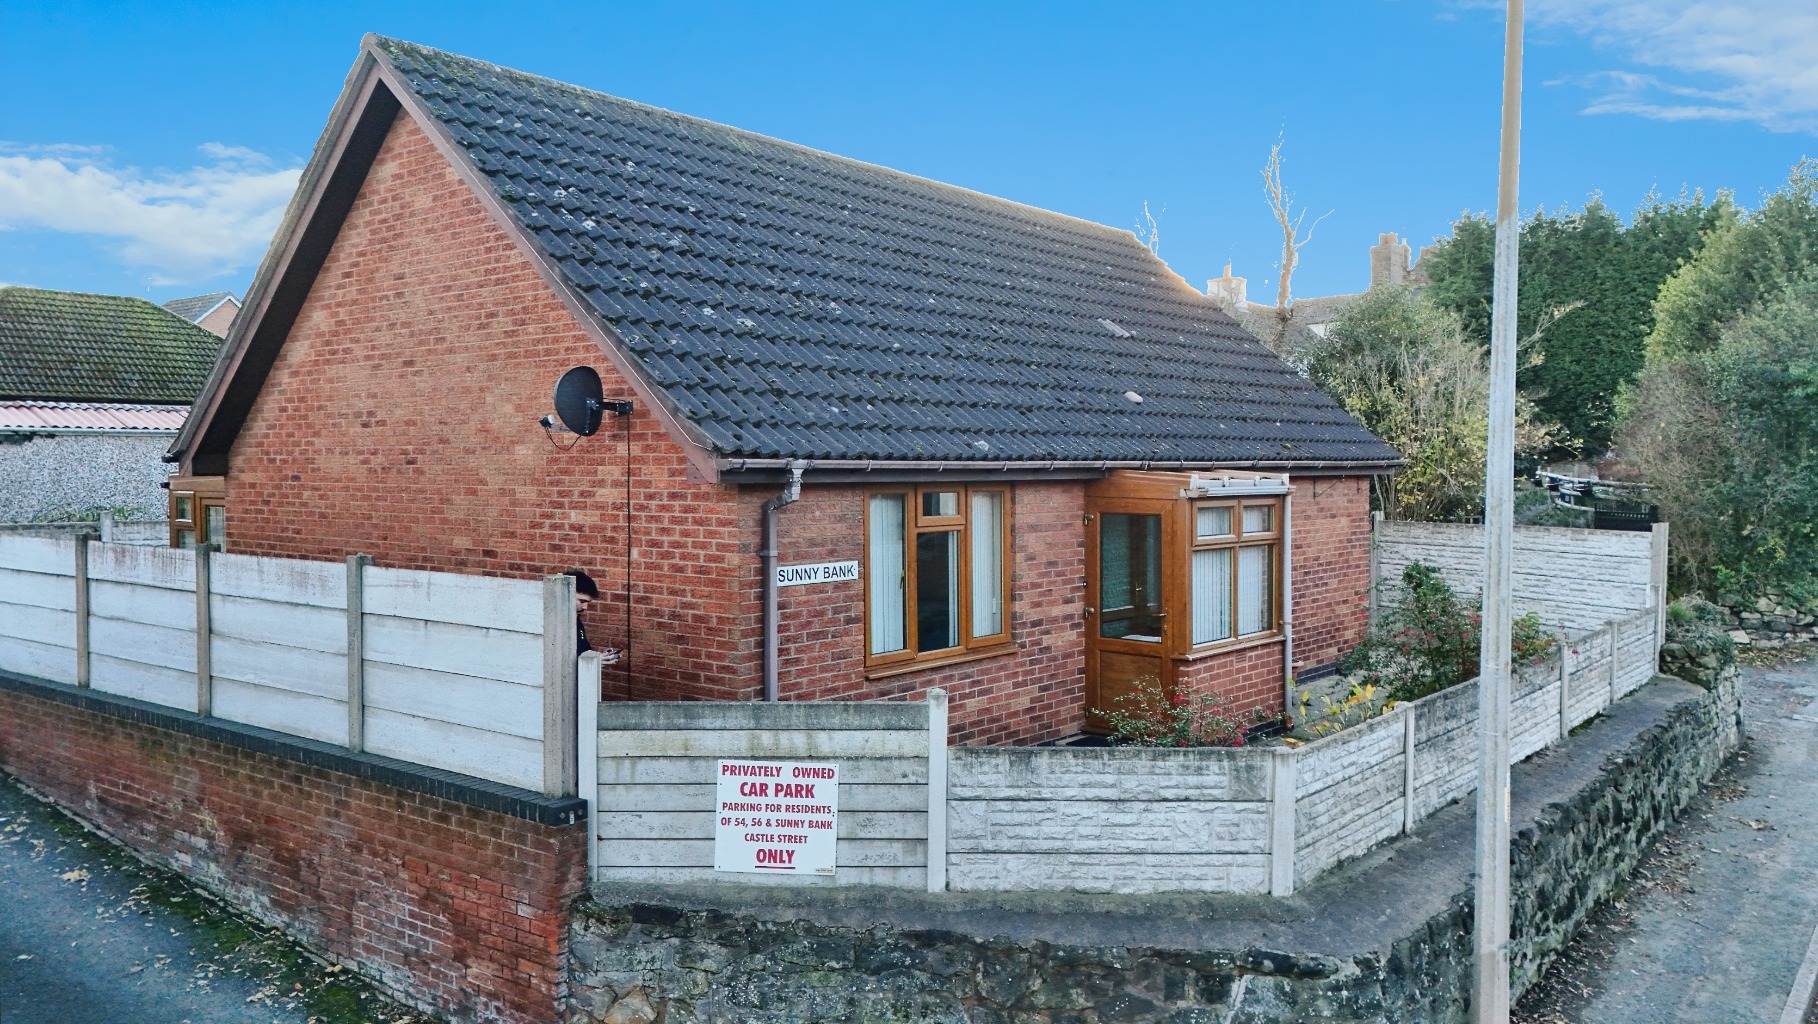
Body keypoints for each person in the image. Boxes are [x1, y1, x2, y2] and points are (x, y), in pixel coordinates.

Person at [562, 569, 620, 664]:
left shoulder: (576, 621)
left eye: (588, 603)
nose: (585, 607)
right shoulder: (554, 623)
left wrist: (599, 658)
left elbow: (583, 650)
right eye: (582, 601)